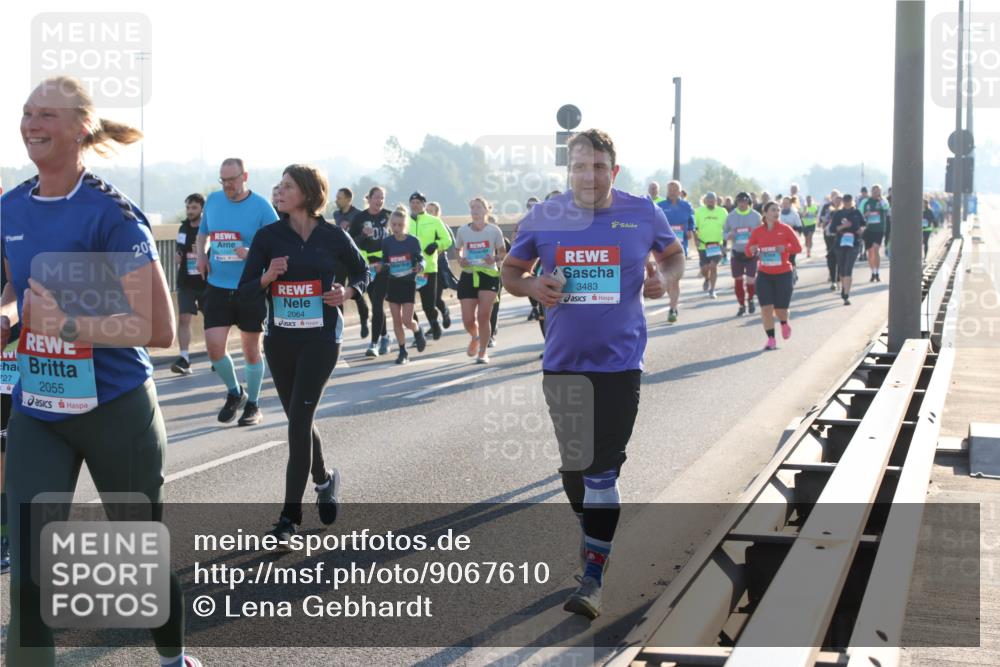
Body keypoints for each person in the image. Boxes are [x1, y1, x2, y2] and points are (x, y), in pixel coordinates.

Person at [2, 75, 200, 667]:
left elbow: (158, 328)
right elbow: (13, 288)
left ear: (82, 127)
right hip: (39, 407)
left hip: (117, 407)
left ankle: (172, 657)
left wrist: (65, 325)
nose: (32, 123)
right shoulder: (10, 207)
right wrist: (10, 315)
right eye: (27, 112)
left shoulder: (111, 213)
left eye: (48, 114)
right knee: (32, 562)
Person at [502, 129, 684, 620]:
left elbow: (673, 255)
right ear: (569, 171)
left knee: (602, 471)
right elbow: (511, 272)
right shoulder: (545, 216)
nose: (590, 176)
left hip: (620, 364)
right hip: (562, 364)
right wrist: (532, 287)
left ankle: (593, 578)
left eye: (599, 167)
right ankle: (595, 540)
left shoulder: (642, 212)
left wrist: (661, 281)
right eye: (581, 167)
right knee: (575, 471)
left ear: (614, 171)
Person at [238, 164, 369, 542]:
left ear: (309, 193)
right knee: (300, 419)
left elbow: (364, 273)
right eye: (278, 186)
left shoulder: (333, 237)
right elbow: (244, 290)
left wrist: (349, 293)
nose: (278, 192)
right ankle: (325, 480)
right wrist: (267, 277)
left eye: (287, 186)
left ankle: (288, 519)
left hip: (322, 340)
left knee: (297, 423)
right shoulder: (268, 237)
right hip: (280, 342)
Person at [196, 158, 277, 427]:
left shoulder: (262, 207)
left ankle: (253, 404)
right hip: (218, 285)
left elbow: (278, 245)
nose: (227, 185)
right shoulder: (214, 201)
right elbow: (202, 233)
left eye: (232, 179)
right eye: (223, 180)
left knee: (251, 350)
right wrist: (201, 257)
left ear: (245, 177)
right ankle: (235, 391)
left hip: (249, 286)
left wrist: (252, 253)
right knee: (214, 347)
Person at [456, 197, 507, 364]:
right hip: (469, 274)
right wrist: (461, 259)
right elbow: (458, 250)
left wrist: (494, 258)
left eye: (479, 207)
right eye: (473, 208)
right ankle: (475, 336)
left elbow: (502, 252)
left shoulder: (494, 231)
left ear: (487, 210)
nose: (475, 210)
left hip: (488, 275)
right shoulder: (463, 230)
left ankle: (483, 352)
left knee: (484, 315)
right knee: (468, 319)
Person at [746, 202, 802, 350]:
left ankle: (784, 323)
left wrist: (785, 248)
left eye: (778, 210)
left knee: (781, 310)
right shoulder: (758, 232)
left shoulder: (785, 229)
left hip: (783, 274)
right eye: (773, 210)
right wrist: (751, 249)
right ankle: (771, 339)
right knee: (766, 309)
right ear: (765, 213)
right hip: (764, 274)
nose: (776, 212)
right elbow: (748, 250)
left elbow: (798, 248)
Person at [381, 207, 428, 364]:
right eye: (394, 224)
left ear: (405, 225)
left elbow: (421, 258)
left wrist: (420, 265)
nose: (396, 228)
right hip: (393, 283)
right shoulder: (387, 242)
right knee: (396, 320)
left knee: (407, 320)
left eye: (400, 225)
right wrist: (381, 265)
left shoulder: (413, 241)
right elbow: (385, 260)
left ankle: (417, 330)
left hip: (408, 283)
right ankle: (402, 351)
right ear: (390, 225)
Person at [350, 186, 392, 357]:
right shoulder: (359, 218)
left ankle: (373, 343)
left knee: (377, 303)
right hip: (367, 267)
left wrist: (386, 261)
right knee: (375, 302)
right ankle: (384, 336)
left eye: (382, 198)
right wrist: (363, 236)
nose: (379, 201)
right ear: (369, 198)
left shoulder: (389, 216)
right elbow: (351, 243)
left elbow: (398, 239)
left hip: (384, 266)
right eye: (376, 197)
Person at [408, 192, 453, 340]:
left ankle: (434, 324)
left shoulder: (434, 221)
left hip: (428, 268)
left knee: (428, 304)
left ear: (423, 205)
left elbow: (447, 240)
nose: (415, 205)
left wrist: (436, 244)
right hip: (407, 269)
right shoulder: (404, 221)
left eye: (418, 202)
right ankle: (417, 331)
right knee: (407, 304)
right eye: (412, 202)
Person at [171, 193, 207, 375]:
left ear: (202, 209)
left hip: (206, 282)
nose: (190, 211)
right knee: (184, 319)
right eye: (188, 208)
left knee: (212, 320)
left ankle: (217, 356)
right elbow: (179, 251)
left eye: (194, 208)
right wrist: (178, 257)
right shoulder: (183, 228)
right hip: (186, 282)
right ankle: (184, 358)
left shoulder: (208, 228)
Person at [656, 180, 695, 322]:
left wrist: (691, 229)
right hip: (662, 247)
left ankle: (673, 308)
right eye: (670, 189)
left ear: (680, 191)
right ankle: (672, 303)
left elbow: (691, 220)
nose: (672, 191)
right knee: (668, 279)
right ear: (667, 191)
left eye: (675, 189)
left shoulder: (686, 206)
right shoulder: (660, 206)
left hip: (679, 248)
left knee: (675, 280)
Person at [723, 192, 763, 317]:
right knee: (738, 280)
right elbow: (724, 232)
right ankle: (741, 305)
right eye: (740, 201)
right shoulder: (731, 216)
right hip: (737, 253)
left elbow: (762, 232)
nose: (742, 203)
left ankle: (750, 299)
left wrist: (757, 242)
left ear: (748, 202)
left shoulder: (756, 216)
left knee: (751, 280)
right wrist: (729, 236)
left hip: (751, 253)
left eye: (745, 201)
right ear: (737, 202)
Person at [425, 201, 460, 313]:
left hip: (439, 263)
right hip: (425, 265)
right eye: (427, 210)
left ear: (437, 213)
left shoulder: (442, 226)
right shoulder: (422, 225)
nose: (428, 213)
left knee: (450, 283)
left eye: (431, 211)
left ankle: (468, 293)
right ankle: (438, 318)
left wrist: (458, 258)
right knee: (429, 297)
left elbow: (452, 243)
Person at [831, 193, 865, 305]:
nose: (847, 203)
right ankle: (844, 288)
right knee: (841, 268)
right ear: (843, 202)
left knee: (848, 269)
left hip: (854, 243)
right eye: (845, 201)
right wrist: (844, 226)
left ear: (852, 201)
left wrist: (861, 229)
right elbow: (832, 229)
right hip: (840, 243)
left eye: (849, 200)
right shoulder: (838, 214)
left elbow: (864, 224)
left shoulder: (857, 213)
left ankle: (846, 295)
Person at [693, 191, 727, 298]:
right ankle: (706, 278)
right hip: (703, 245)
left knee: (713, 266)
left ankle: (712, 290)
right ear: (705, 200)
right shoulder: (698, 211)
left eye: (713, 199)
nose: (711, 201)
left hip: (717, 244)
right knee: (704, 269)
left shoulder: (722, 211)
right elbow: (694, 228)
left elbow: (727, 228)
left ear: (716, 201)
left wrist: (725, 245)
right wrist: (696, 240)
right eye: (708, 199)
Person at [860, 184, 890, 282]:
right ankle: (872, 272)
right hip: (868, 229)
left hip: (879, 229)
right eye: (874, 191)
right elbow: (860, 215)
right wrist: (866, 214)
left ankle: (877, 272)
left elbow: (886, 208)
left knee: (876, 249)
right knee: (870, 251)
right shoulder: (866, 202)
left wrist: (881, 199)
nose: (875, 192)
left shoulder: (882, 201)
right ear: (871, 191)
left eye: (878, 191)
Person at [801, 194, 819, 259]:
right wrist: (805, 211)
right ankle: (808, 247)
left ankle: (808, 252)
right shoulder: (803, 207)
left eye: (810, 200)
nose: (809, 201)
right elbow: (802, 216)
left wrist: (814, 216)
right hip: (805, 225)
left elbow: (816, 215)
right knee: (806, 239)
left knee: (809, 237)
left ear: (811, 200)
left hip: (812, 224)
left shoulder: (814, 207)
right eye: (807, 200)